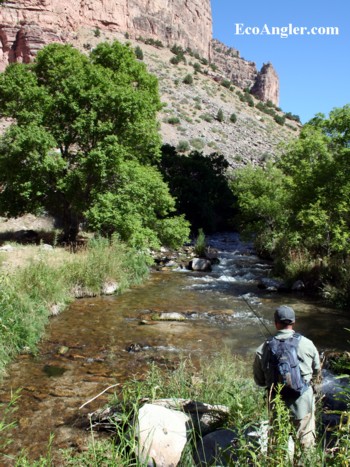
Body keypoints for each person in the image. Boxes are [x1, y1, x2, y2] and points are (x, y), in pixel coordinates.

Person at [253, 305, 321, 449]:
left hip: (277, 406)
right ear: (293, 322)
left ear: (276, 323)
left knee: (278, 449)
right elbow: (316, 371)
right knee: (305, 449)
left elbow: (259, 381)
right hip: (303, 405)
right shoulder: (308, 344)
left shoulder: (263, 348)